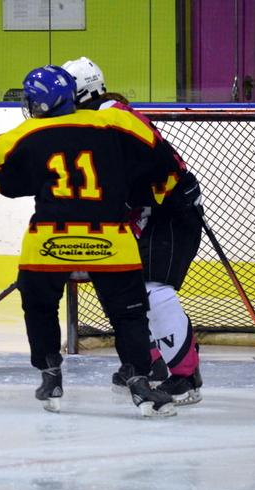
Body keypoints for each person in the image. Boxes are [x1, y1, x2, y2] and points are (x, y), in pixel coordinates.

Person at [0, 65, 179, 417]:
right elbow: (163, 163)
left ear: (41, 104)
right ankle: (140, 381)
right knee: (129, 314)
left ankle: (50, 375)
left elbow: (9, 186)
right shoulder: (117, 124)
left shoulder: (19, 136)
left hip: (49, 240)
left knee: (39, 305)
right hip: (111, 237)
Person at [62, 56, 203, 405]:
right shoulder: (95, 119)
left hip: (169, 212)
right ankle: (149, 362)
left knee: (154, 290)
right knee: (126, 291)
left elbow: (162, 164)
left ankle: (186, 377)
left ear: (83, 93)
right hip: (144, 214)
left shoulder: (114, 118)